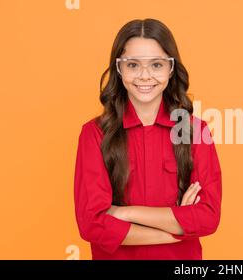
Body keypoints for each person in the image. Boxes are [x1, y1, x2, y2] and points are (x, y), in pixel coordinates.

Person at [73, 18, 222, 260]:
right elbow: (92, 224)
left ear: (171, 68)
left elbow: (207, 218)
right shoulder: (94, 134)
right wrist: (177, 228)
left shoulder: (195, 131)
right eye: (133, 65)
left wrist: (124, 213)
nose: (144, 76)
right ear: (119, 69)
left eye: (156, 65)